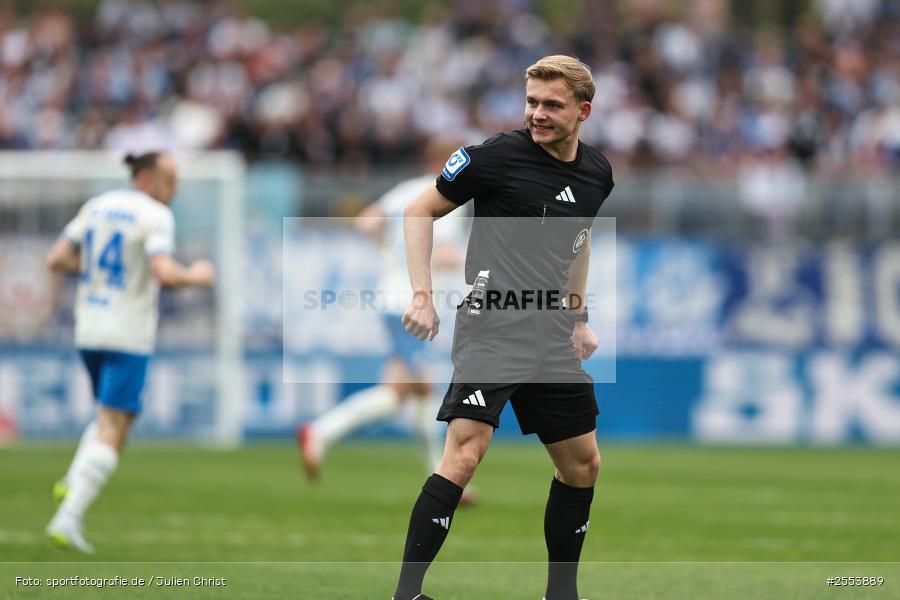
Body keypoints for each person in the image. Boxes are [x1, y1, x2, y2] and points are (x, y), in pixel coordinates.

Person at [392, 55, 614, 600]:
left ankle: (561, 593)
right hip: (492, 323)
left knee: (583, 465)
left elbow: (578, 243)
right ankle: (407, 594)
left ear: (583, 111)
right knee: (465, 453)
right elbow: (418, 213)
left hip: (551, 331)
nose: (537, 114)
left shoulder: (596, 172)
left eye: (551, 105)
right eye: (531, 102)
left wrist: (578, 314)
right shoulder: (493, 158)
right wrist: (422, 295)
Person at [44, 152, 216, 553]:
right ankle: (67, 516)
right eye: (169, 179)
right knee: (114, 427)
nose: (174, 189)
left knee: (114, 416)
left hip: (88, 327)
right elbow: (165, 273)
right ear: (145, 179)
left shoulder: (97, 205)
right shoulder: (155, 215)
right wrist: (198, 275)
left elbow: (57, 259)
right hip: (128, 333)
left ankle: (73, 481)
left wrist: (102, 273)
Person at [297, 139, 477, 505]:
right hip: (410, 303)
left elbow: (366, 222)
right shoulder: (447, 198)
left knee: (409, 391)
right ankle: (321, 433)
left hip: (394, 297)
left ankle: (442, 479)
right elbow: (441, 253)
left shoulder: (407, 190)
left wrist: (393, 255)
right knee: (415, 387)